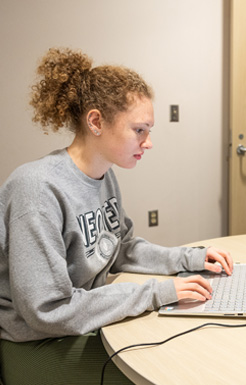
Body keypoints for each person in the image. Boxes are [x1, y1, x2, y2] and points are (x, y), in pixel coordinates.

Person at [0, 48, 233, 384]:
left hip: (79, 323)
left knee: (189, 338)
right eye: (139, 130)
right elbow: (47, 311)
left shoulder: (103, 174)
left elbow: (120, 247)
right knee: (169, 368)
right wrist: (158, 293)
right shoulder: (36, 190)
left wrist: (191, 258)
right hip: (38, 345)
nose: (148, 142)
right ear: (96, 122)